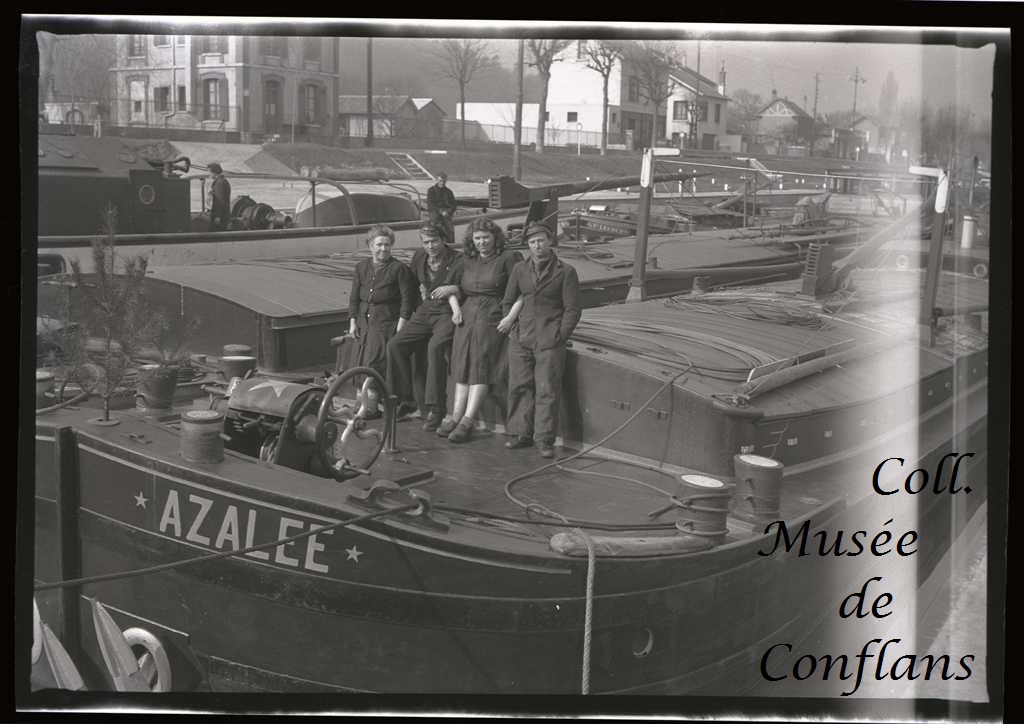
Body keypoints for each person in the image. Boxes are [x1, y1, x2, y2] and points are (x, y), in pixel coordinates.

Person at [433, 217, 522, 443]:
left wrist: (510, 318)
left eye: (486, 237)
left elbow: (523, 291)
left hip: (492, 315)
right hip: (467, 316)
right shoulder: (466, 260)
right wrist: (455, 309)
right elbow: (451, 288)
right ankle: (455, 416)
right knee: (462, 364)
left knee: (481, 365)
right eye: (477, 238)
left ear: (495, 237)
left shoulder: (508, 258)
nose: (482, 242)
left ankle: (468, 420)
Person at [502, 222, 581, 459]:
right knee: (519, 386)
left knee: (547, 389)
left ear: (550, 242)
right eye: (532, 242)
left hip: (549, 339)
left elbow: (573, 309)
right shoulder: (520, 269)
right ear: (528, 245)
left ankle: (544, 439)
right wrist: (513, 330)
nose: (537, 246)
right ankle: (520, 433)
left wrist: (560, 336)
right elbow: (508, 301)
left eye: (541, 241)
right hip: (521, 338)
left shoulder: (566, 271)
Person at [385, 223, 463, 431]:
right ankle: (405, 399)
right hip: (425, 310)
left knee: (435, 348)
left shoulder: (458, 259)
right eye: (426, 242)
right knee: (395, 345)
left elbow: (468, 286)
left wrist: (454, 288)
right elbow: (411, 286)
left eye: (434, 241)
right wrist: (408, 313)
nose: (430, 246)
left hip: (447, 312)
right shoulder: (420, 257)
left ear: (443, 239)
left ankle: (436, 410)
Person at [347, 225, 416, 418]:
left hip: (385, 323)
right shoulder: (361, 268)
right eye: (379, 245)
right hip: (364, 322)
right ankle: (360, 403)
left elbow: (407, 300)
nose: (383, 249)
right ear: (370, 245)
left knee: (374, 362)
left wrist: (401, 325)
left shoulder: (399, 269)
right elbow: (354, 298)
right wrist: (353, 322)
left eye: (387, 245)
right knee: (358, 361)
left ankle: (370, 406)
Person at [426, 172, 457, 245]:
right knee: (435, 227)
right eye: (440, 181)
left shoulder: (449, 191)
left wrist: (449, 211)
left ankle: (450, 245)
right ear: (437, 180)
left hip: (446, 212)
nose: (442, 183)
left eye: (444, 181)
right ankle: (434, 243)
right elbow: (431, 204)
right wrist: (441, 211)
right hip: (435, 212)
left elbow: (454, 204)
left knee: (450, 229)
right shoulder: (431, 190)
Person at [207, 162, 231, 231]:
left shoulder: (219, 183)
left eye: (209, 172)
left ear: (214, 172)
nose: (209, 174)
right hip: (223, 215)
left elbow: (220, 201)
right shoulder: (222, 181)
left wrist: (218, 216)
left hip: (220, 217)